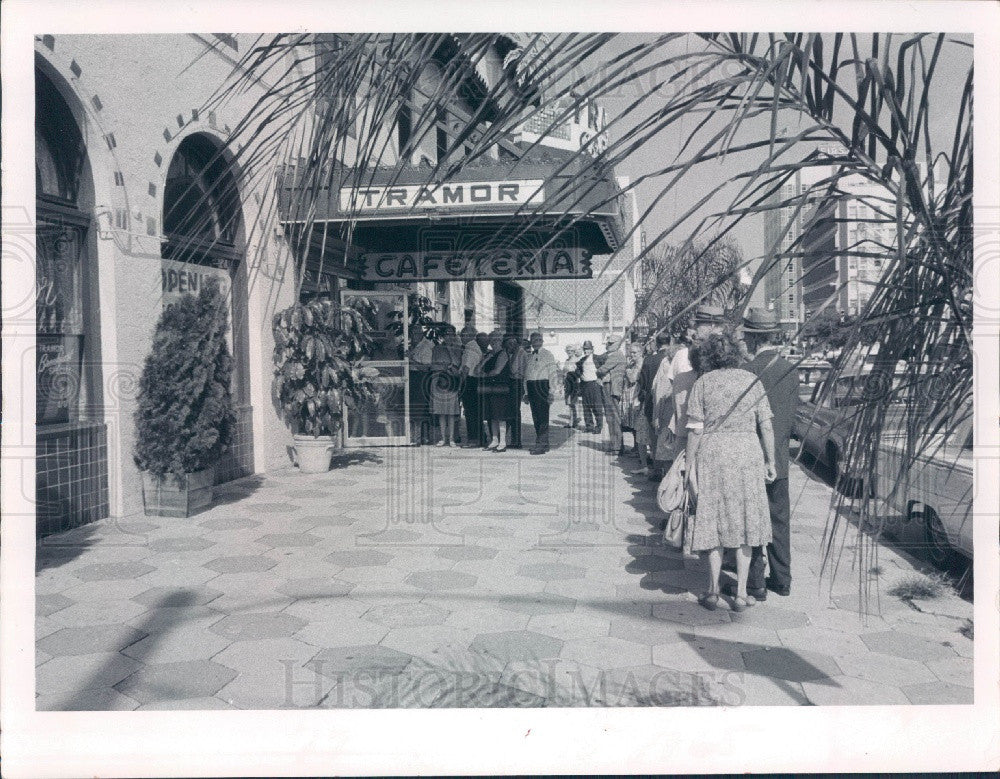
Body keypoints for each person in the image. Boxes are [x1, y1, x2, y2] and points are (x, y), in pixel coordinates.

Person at [684, 330, 777, 613]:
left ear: (708, 356)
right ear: (737, 354)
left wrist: (689, 468)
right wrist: (770, 461)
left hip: (713, 453)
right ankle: (740, 594)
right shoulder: (752, 381)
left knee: (712, 519)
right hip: (747, 453)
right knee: (746, 521)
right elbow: (767, 425)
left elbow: (695, 429)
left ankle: (711, 592)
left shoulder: (703, 382)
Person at [737, 307, 799, 599]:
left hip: (750, 457)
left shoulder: (747, 372)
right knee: (779, 520)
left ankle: (755, 582)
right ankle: (783, 579)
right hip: (780, 458)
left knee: (750, 520)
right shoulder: (790, 369)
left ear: (751, 338)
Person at [651, 305, 726, 473]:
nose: (694, 330)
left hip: (701, 442)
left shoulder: (692, 376)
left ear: (712, 326)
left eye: (699, 325)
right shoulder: (685, 375)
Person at [637, 332, 672, 480]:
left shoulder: (650, 360)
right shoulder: (672, 358)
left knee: (655, 436)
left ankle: (657, 470)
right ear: (669, 343)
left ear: (657, 344)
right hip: (671, 402)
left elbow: (643, 382)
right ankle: (669, 471)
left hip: (653, 401)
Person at [524, 331, 560, 455]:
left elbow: (553, 373)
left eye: (539, 340)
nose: (536, 342)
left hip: (542, 386)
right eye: (534, 340)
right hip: (531, 387)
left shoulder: (548, 355)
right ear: (531, 342)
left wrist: (551, 391)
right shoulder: (529, 357)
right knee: (536, 417)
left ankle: (541, 444)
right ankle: (544, 444)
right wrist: (526, 392)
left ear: (542, 341)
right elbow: (526, 376)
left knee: (543, 416)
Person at [478, 330, 512, 451]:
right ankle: (494, 440)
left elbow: (497, 371)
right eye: (492, 340)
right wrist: (486, 359)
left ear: (501, 341)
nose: (494, 342)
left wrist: (485, 375)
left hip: (500, 387)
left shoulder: (503, 354)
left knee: (500, 415)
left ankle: (502, 442)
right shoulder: (488, 354)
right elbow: (477, 369)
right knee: (491, 416)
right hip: (488, 388)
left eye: (497, 340)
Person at [430, 325, 463, 448]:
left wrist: (449, 350)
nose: (449, 337)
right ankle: (443, 438)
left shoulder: (458, 348)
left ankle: (452, 438)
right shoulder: (436, 349)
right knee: (441, 412)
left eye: (451, 334)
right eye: (446, 334)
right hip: (439, 382)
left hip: (452, 383)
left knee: (451, 412)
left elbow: (457, 364)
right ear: (442, 336)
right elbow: (433, 366)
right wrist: (445, 366)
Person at [620, 342, 650, 474]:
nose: (632, 355)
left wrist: (627, 370)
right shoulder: (633, 363)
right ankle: (636, 448)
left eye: (635, 353)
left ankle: (639, 450)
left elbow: (632, 378)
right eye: (631, 352)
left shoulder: (640, 363)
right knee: (633, 422)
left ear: (641, 353)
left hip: (636, 395)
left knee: (638, 423)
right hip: (629, 395)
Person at [597, 336, 627, 455]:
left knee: (612, 417)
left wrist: (600, 371)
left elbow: (601, 370)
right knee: (613, 417)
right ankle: (618, 445)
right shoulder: (617, 355)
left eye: (609, 344)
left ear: (616, 344)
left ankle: (617, 447)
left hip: (611, 387)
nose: (606, 346)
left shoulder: (615, 355)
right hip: (612, 387)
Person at [406, 326, 434, 445]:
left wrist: (410, 360)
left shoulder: (426, 346)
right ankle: (417, 437)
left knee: (420, 408)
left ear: (421, 333)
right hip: (412, 378)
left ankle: (419, 438)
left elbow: (426, 367)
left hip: (421, 378)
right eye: (412, 333)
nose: (413, 336)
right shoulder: (413, 345)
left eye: (416, 333)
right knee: (414, 408)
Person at [460, 329, 486, 448]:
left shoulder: (469, 349)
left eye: (464, 335)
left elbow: (466, 368)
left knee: (470, 412)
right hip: (476, 382)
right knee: (476, 411)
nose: (461, 337)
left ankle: (474, 439)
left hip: (470, 381)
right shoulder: (475, 348)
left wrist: (461, 385)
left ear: (471, 336)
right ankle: (481, 437)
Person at [575, 340, 603, 434]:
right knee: (586, 407)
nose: (586, 351)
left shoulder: (597, 358)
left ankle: (599, 427)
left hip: (595, 385)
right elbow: (577, 369)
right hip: (585, 385)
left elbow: (605, 367)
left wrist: (601, 378)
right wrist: (579, 374)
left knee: (597, 407)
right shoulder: (582, 360)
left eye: (588, 349)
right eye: (585, 349)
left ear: (592, 349)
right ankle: (589, 426)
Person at [504, 335, 526, 448]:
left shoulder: (520, 352)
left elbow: (512, 369)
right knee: (512, 412)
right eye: (508, 344)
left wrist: (508, 355)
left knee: (514, 412)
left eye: (511, 344)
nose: (509, 346)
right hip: (514, 383)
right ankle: (513, 439)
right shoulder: (517, 352)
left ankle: (516, 441)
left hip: (516, 383)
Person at [562, 344, 582, 429]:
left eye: (571, 351)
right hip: (567, 384)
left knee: (574, 403)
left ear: (574, 352)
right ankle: (570, 422)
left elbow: (579, 373)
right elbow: (564, 373)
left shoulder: (577, 360)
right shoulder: (566, 361)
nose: (569, 352)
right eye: (568, 351)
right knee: (569, 403)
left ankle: (575, 422)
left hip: (574, 384)